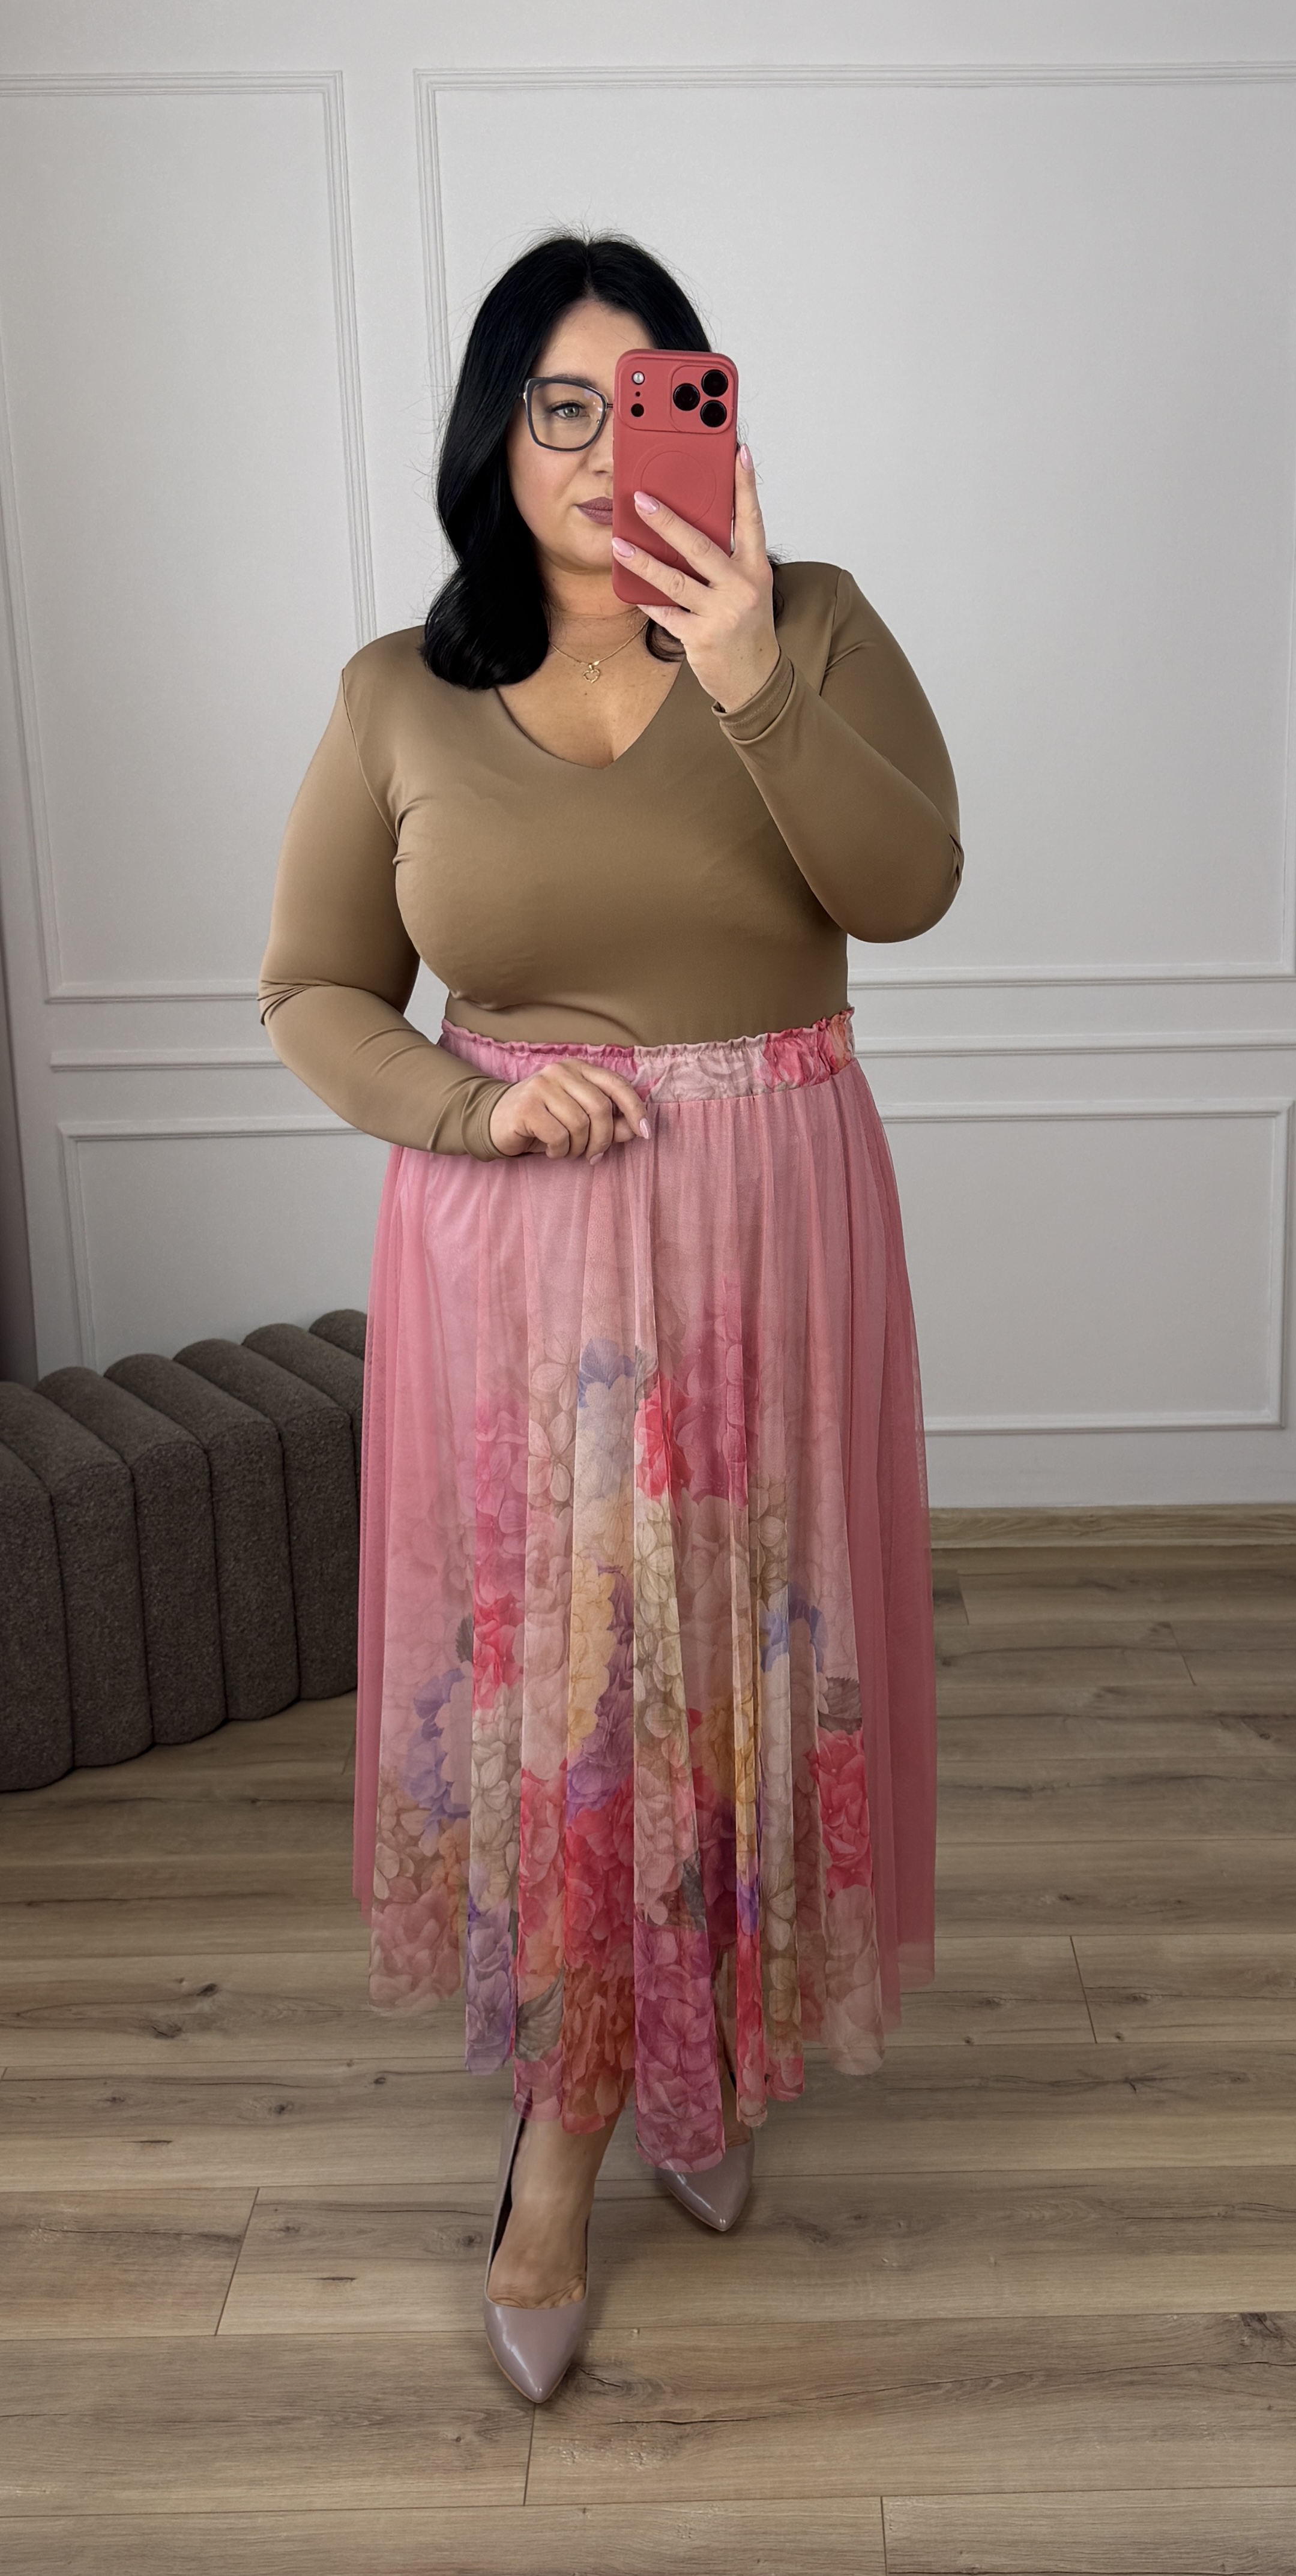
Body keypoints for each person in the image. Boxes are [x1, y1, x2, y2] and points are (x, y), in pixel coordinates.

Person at [259, 230, 962, 2403]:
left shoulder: (810, 625)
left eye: (642, 399)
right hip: (526, 1248)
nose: (594, 446)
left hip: (773, 1230)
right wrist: (470, 1109)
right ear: (496, 433)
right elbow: (315, 991)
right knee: (574, 1691)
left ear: (706, 422)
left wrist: (748, 669)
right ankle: (562, 2134)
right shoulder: (398, 691)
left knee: (750, 1654)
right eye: (555, 405)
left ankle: (705, 2048)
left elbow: (908, 891)